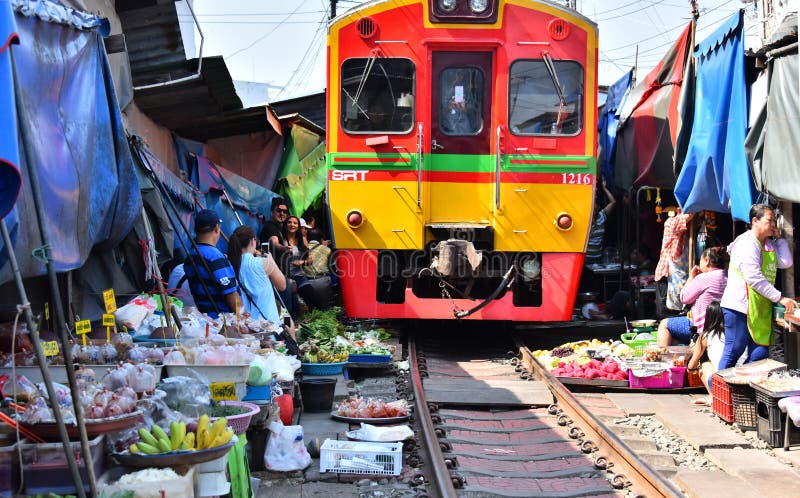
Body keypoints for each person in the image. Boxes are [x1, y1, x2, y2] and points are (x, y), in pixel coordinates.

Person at [719, 204, 797, 368]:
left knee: (759, 355)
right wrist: (780, 298)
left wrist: (780, 239)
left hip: (759, 309)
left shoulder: (768, 244)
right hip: (739, 307)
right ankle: (718, 388)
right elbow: (754, 278)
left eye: (774, 221)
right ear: (755, 221)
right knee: (734, 350)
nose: (773, 224)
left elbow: (785, 262)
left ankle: (740, 388)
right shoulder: (748, 243)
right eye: (770, 220)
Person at [656, 246, 728, 347]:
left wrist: (691, 277)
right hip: (723, 324)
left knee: (664, 324)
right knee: (675, 339)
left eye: (701, 260)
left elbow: (684, 298)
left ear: (707, 261)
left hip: (703, 326)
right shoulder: (728, 276)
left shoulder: (703, 278)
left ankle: (663, 359)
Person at [183, 209, 242, 318]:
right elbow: (231, 296)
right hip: (223, 322)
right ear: (217, 228)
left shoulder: (191, 255)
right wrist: (244, 317)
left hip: (205, 319)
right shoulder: (215, 257)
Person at [227, 226, 287, 325]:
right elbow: (282, 285)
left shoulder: (228, 264)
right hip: (267, 324)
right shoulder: (264, 262)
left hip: (245, 324)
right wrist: (271, 260)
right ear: (252, 241)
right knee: (289, 322)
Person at [654, 208, 694, 313]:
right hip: (666, 274)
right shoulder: (671, 222)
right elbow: (689, 216)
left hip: (676, 274)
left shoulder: (684, 228)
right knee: (665, 311)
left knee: (675, 309)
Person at [686, 301, 726, 402]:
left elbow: (691, 367)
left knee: (703, 363)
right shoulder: (731, 333)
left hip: (719, 383)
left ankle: (712, 397)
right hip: (734, 378)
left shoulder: (706, 335)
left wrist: (695, 350)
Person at [283, 215, 321, 312]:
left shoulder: (301, 241)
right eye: (289, 222)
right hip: (286, 279)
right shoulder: (281, 239)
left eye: (295, 223)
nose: (292, 225)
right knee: (294, 310)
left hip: (300, 277)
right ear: (285, 225)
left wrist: (302, 262)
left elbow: (310, 260)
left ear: (298, 226)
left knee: (314, 302)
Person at [585, 178, 615, 265]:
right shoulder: (584, 220)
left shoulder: (602, 216)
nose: (593, 207)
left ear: (598, 207)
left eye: (595, 205)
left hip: (598, 258)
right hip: (585, 259)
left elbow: (613, 202)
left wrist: (604, 188)